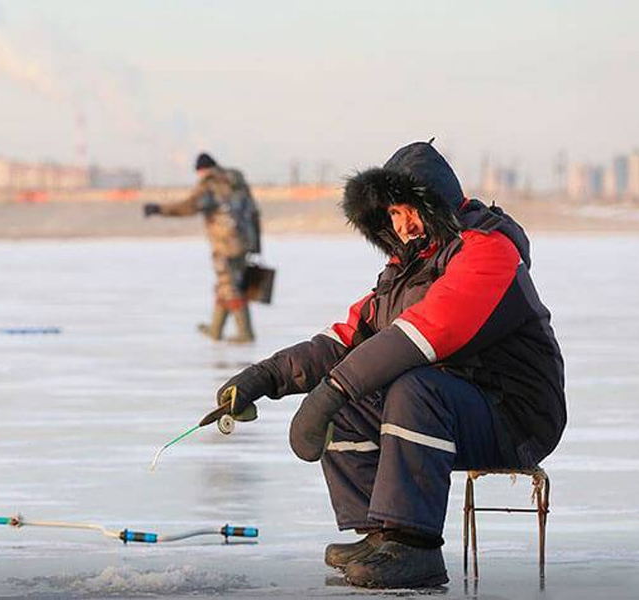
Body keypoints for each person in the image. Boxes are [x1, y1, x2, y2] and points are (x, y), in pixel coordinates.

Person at [214, 140, 566, 588]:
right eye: (393, 216)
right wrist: (264, 377)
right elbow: (347, 340)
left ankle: (414, 547)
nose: (402, 226)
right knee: (362, 399)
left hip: (516, 417)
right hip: (455, 407)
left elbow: (425, 333)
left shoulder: (486, 252)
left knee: (411, 387)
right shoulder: (406, 273)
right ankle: (382, 534)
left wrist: (331, 391)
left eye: (408, 211)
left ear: (434, 203)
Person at [143, 153, 261, 343]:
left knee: (230, 287)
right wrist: (256, 244)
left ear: (201, 170)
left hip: (225, 243)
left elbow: (189, 206)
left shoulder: (210, 184)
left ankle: (245, 333)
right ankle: (215, 329)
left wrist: (159, 209)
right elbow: (254, 212)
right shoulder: (237, 182)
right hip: (245, 241)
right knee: (227, 284)